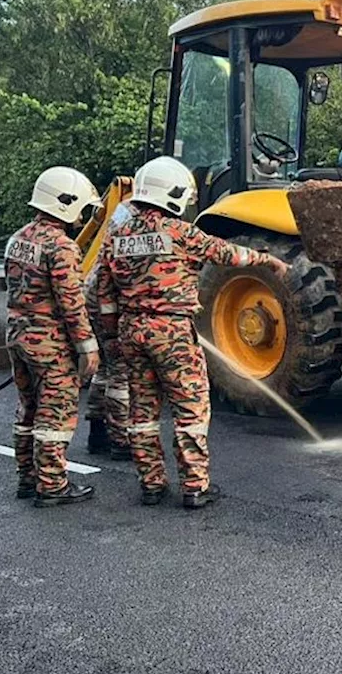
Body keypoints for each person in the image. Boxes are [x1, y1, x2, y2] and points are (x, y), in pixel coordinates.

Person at [95, 156, 289, 509]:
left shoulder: (117, 236)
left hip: (131, 331)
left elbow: (104, 295)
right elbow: (228, 254)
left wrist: (112, 336)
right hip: (171, 331)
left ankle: (151, 484)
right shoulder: (179, 233)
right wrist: (269, 260)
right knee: (190, 409)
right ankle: (194, 486)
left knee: (143, 411)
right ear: (172, 194)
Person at [4, 167, 101, 507]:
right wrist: (87, 347)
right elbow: (71, 304)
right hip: (49, 342)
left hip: (17, 336)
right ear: (67, 203)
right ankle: (53, 485)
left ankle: (28, 478)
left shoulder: (18, 238)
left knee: (28, 408)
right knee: (55, 414)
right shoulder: (62, 247)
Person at [83, 199, 133, 460]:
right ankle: (120, 440)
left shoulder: (125, 209)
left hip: (93, 294)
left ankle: (97, 432)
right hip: (106, 298)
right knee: (119, 370)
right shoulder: (141, 220)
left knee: (104, 369)